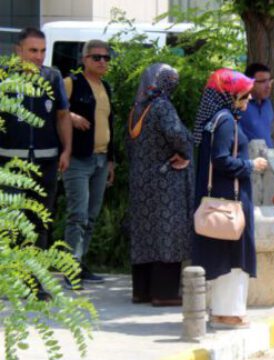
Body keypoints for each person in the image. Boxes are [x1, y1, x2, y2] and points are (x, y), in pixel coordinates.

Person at [191, 69, 268, 328]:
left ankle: (225, 311)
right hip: (229, 200)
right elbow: (221, 159)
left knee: (224, 253)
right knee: (233, 255)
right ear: (231, 97)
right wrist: (250, 165)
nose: (247, 102)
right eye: (244, 96)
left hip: (223, 198)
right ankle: (227, 313)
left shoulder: (216, 119)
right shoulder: (225, 121)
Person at [0, 28, 72, 300]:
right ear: (18, 51)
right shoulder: (4, 76)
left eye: (42, 51)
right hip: (10, 162)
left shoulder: (52, 77)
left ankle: (33, 283)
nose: (39, 56)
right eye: (33, 51)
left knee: (39, 223)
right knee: (10, 224)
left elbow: (63, 116)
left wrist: (67, 150)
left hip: (46, 162)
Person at [127, 63, 193, 307]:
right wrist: (185, 152)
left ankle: (142, 291)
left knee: (145, 234)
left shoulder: (137, 108)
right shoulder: (163, 106)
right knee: (167, 233)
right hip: (165, 181)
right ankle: (164, 293)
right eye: (170, 79)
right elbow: (176, 134)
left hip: (142, 181)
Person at [62, 39, 115, 289]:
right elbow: (52, 111)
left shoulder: (105, 86)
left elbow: (110, 125)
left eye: (106, 58)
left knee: (91, 217)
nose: (102, 61)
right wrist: (70, 116)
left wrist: (111, 162)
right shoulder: (71, 83)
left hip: (101, 159)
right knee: (78, 216)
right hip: (78, 159)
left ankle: (80, 265)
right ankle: (70, 269)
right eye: (97, 57)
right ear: (84, 59)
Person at [239, 63, 274, 149]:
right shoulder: (240, 105)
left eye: (269, 81)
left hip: (269, 159)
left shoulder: (268, 105)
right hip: (248, 160)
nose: (268, 86)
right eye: (263, 82)